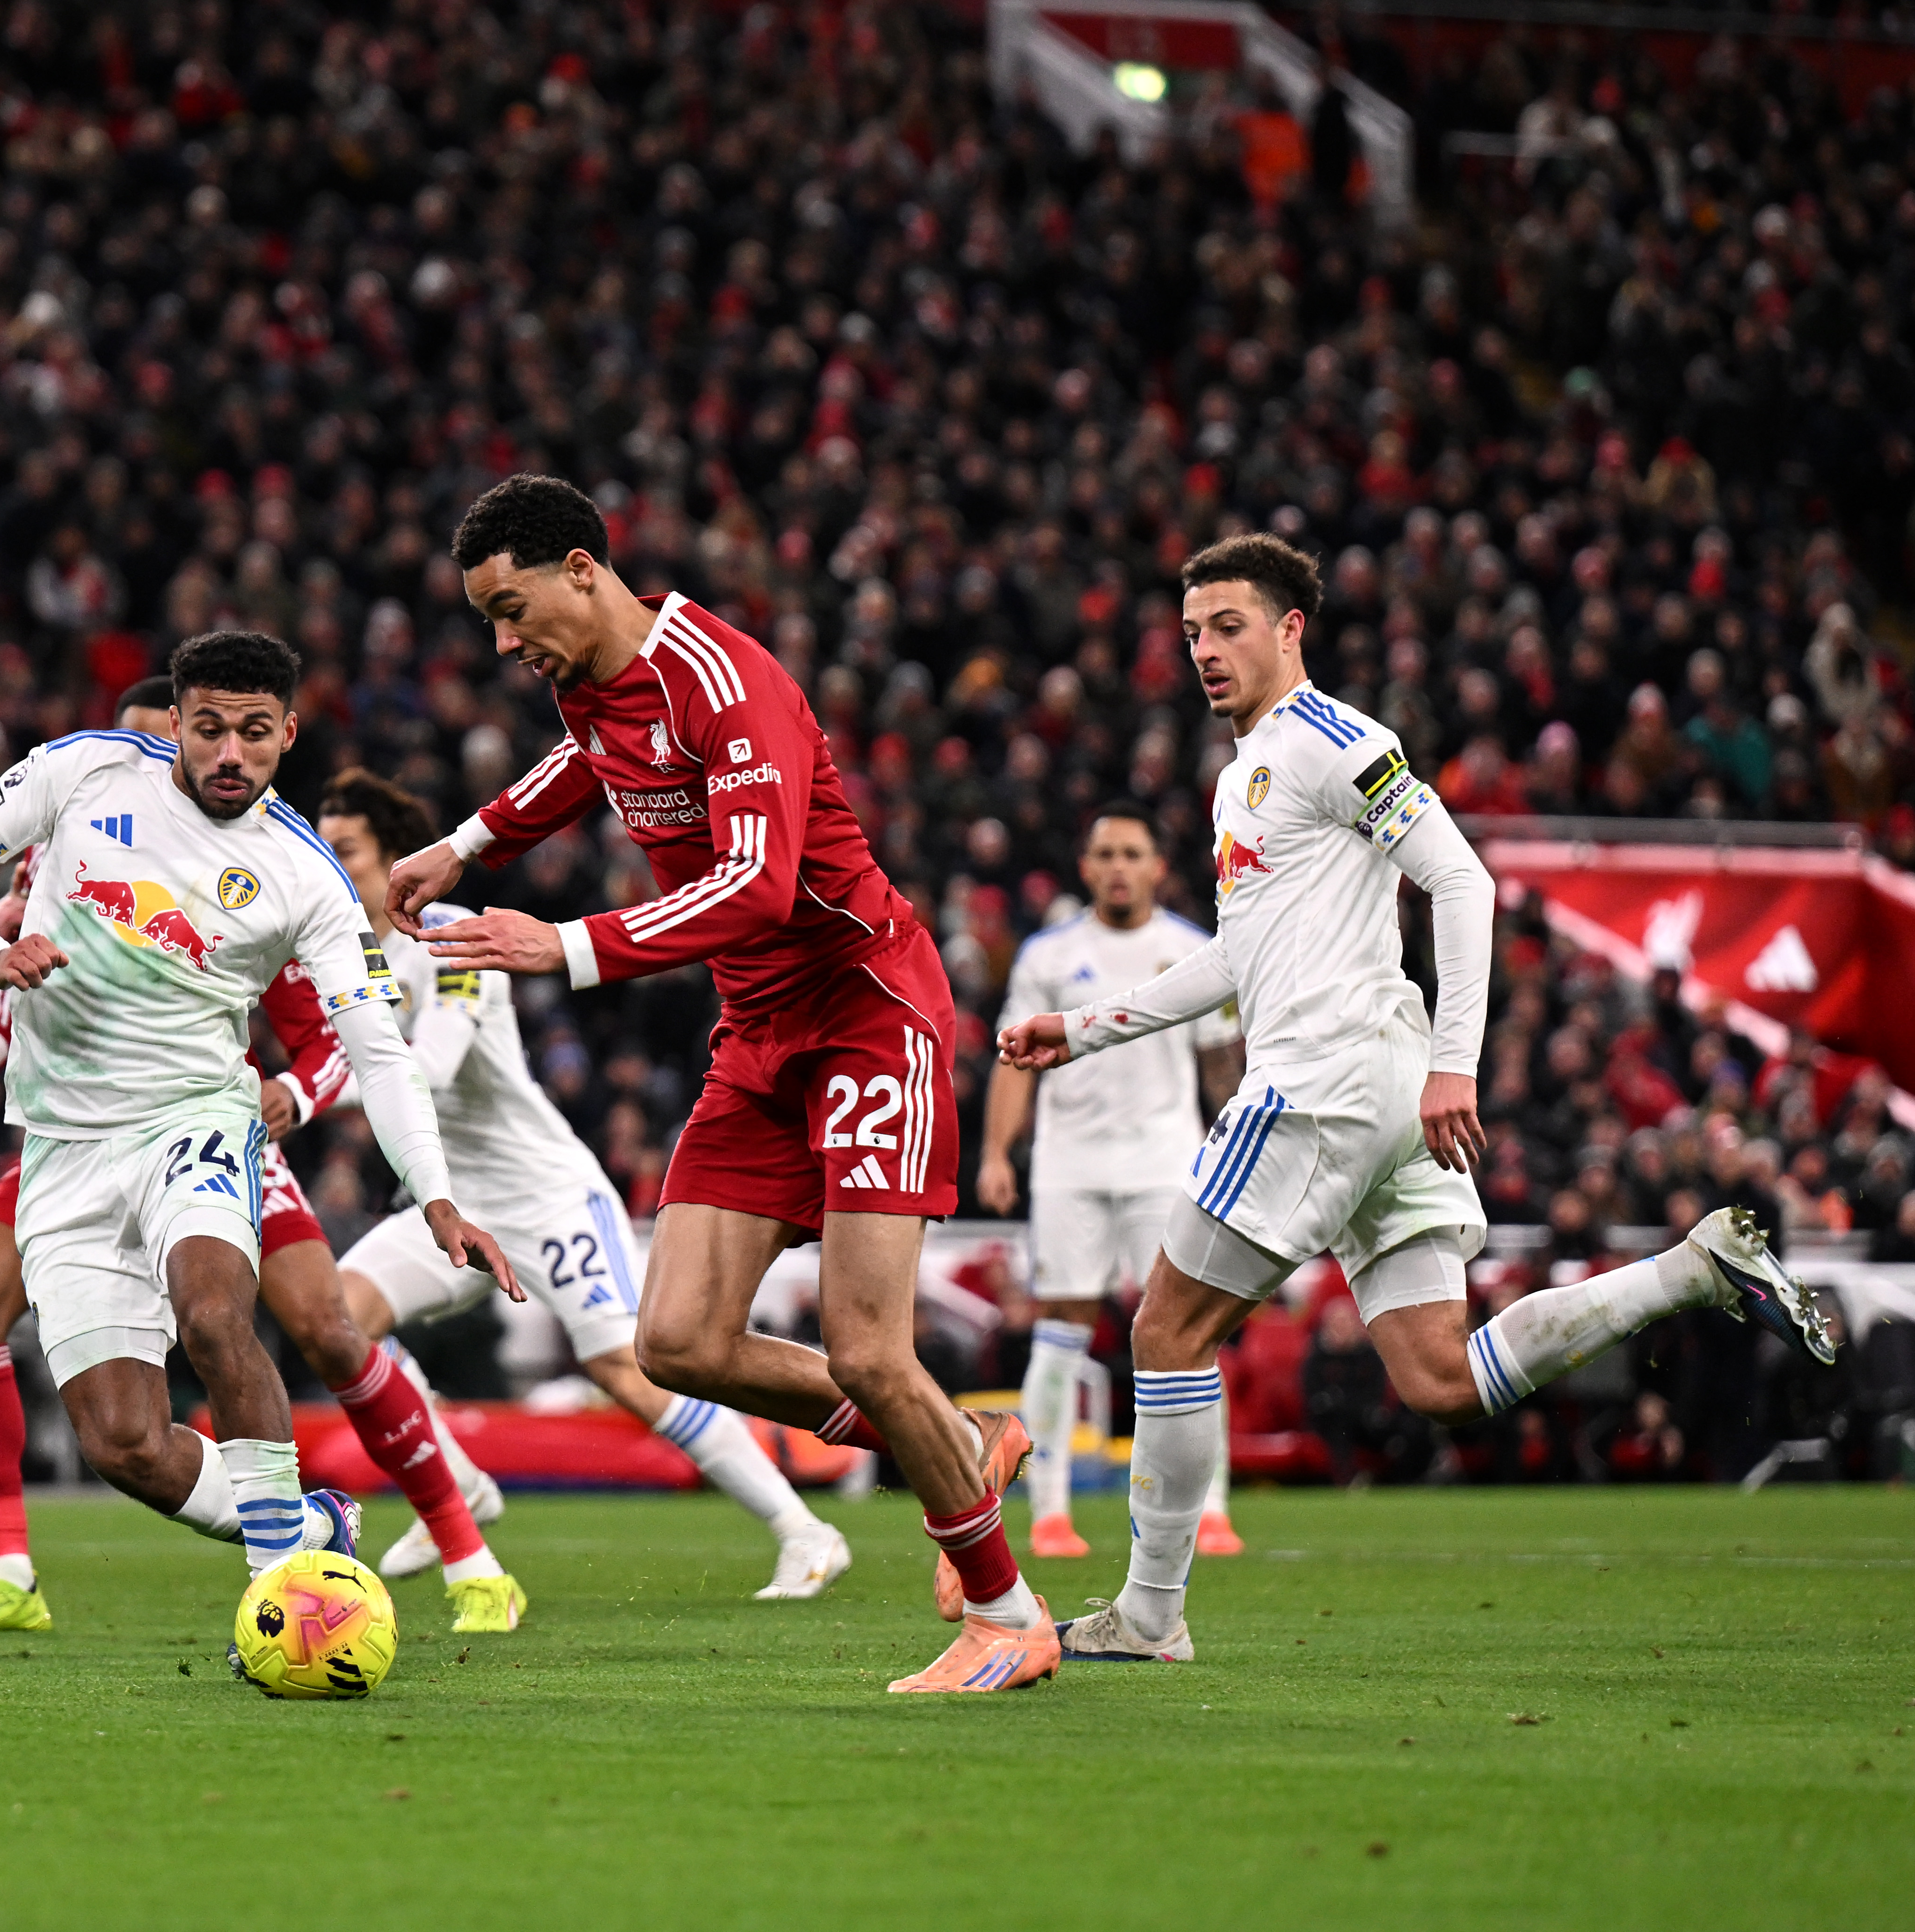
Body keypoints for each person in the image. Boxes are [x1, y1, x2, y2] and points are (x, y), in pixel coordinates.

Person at [1000, 533, 1835, 1664]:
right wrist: (1087, 1029)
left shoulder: (1334, 739)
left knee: (1163, 1327)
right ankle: (1689, 1268)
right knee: (1439, 1378)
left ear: (1290, 628)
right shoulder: (1237, 778)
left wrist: (1457, 1059)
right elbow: (1233, 964)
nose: (1204, 649)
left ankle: (1149, 1613)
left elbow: (1459, 877)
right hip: (1371, 1089)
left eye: (1229, 624)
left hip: (1325, 1079)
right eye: (1191, 629)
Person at [388, 474, 1056, 1694]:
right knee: (678, 1341)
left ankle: (1010, 1617)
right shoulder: (585, 683)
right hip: (758, 1036)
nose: (501, 641)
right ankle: (957, 1442)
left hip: (866, 1014)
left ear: (582, 569)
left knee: (866, 1348)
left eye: (510, 606)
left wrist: (568, 944)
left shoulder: (727, 684)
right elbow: (586, 767)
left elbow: (754, 886)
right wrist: (467, 844)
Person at [0, 631, 511, 1637]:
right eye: (213, 729)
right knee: (123, 1444)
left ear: (288, 735)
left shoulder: (304, 875)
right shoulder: (80, 769)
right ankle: (311, 1527)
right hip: (64, 1145)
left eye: (257, 734)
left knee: (217, 1313)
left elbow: (380, 1050)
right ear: (177, 724)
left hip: (196, 1116)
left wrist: (437, 1192)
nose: (233, 754)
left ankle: (286, 1597)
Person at [319, 766, 852, 1599]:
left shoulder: (453, 937)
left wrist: (300, 1094)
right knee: (338, 1316)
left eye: (347, 849)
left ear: (394, 856)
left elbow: (429, 1066)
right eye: (325, 847)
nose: (331, 863)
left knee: (625, 1364)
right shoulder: (344, 960)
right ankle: (457, 1482)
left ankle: (805, 1528)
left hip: (547, 1191)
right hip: (454, 1203)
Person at [981, 805, 1244, 1560]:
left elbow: (1223, 1064)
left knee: (1190, 1328)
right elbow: (1013, 1058)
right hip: (1071, 1163)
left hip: (1169, 1160)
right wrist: (999, 1151)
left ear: (1158, 866)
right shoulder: (1048, 954)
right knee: (1059, 1326)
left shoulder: (1195, 951)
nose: (1119, 865)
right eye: (1106, 853)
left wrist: (1243, 1150)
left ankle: (1211, 1505)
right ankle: (1050, 1513)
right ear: (1086, 866)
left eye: (1133, 852)